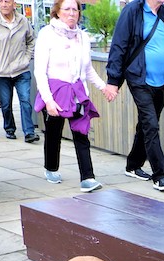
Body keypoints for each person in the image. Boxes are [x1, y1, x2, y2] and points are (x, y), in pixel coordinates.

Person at [104, 0, 164, 192]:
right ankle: (160, 175)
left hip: (160, 82)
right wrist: (113, 81)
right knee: (151, 125)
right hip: (138, 79)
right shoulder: (132, 11)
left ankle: (133, 165)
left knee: (146, 124)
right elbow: (119, 46)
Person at [34, 0, 110, 192]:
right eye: (66, 9)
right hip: (56, 92)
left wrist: (104, 87)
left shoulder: (83, 36)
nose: (71, 13)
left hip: (77, 93)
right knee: (53, 133)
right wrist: (48, 101)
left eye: (74, 9)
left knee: (81, 132)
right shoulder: (46, 34)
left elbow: (88, 69)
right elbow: (39, 71)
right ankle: (51, 168)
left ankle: (88, 177)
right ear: (57, 12)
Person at [0, 0, 38, 142]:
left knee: (25, 101)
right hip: (2, 70)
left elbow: (31, 40)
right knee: (5, 104)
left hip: (21, 69)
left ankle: (29, 132)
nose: (4, 4)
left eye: (7, 1)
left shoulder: (22, 21)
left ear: (14, 4)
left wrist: (27, 57)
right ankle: (10, 128)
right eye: (1, 1)